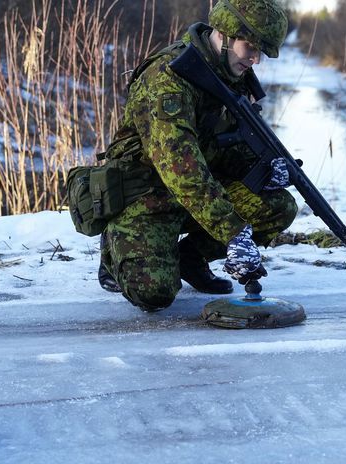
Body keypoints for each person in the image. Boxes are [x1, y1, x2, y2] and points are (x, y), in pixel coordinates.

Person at [97, 0, 298, 311]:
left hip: (198, 189)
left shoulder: (231, 75)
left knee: (277, 206)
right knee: (153, 293)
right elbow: (182, 170)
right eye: (251, 48)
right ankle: (114, 248)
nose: (256, 59)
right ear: (226, 35)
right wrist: (233, 232)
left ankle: (191, 258)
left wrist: (264, 168)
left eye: (262, 52)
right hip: (145, 192)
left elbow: (226, 147)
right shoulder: (169, 78)